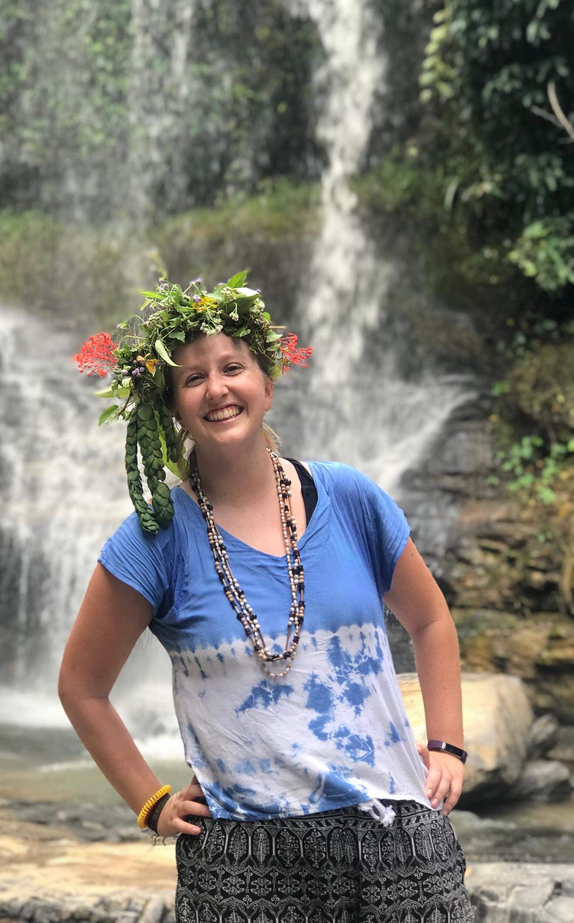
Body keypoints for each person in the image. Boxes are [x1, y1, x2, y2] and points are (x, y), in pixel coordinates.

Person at [58, 273, 475, 922]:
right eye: (193, 378)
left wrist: (447, 744)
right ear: (173, 405)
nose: (217, 388)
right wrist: (151, 803)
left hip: (398, 846)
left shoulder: (349, 498)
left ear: (267, 384)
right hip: (246, 866)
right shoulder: (157, 538)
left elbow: (429, 619)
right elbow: (81, 686)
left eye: (233, 367)